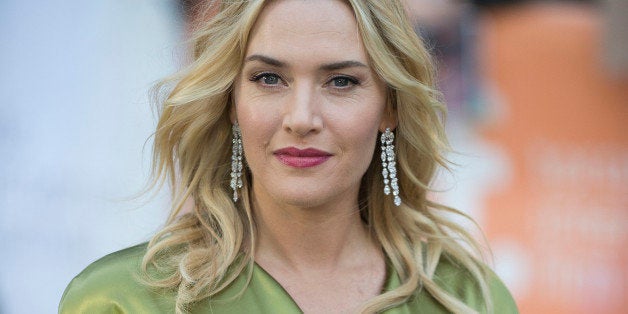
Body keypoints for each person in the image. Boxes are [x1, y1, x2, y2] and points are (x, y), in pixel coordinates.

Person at [59, 1, 518, 313]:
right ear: (231, 102)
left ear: (390, 108)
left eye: (341, 82)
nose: (301, 118)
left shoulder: (466, 298)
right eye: (268, 79)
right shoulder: (123, 300)